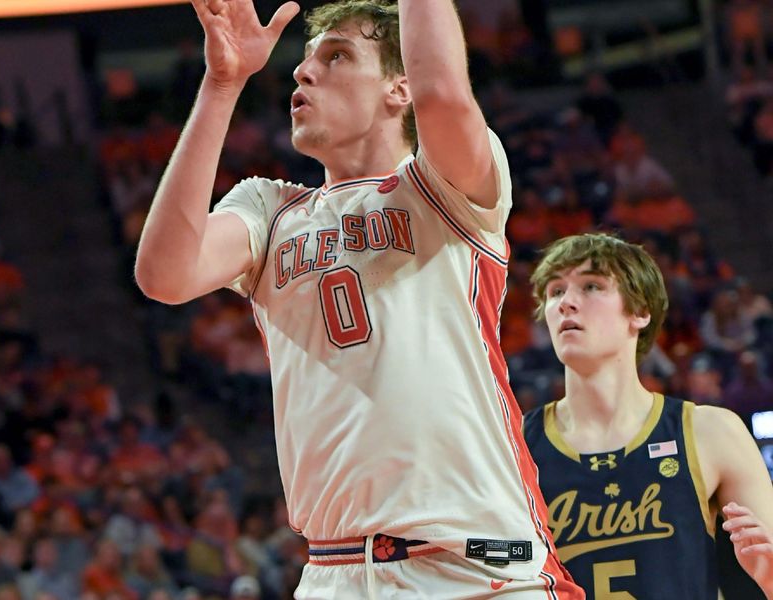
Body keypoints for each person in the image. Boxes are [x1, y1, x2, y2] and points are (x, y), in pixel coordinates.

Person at [135, 0, 582, 597]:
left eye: (338, 55)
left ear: (399, 88)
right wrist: (222, 84)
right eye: (304, 61)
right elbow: (165, 274)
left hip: (478, 565)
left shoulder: (440, 187)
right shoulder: (269, 208)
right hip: (336, 572)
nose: (303, 72)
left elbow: (445, 95)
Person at [523, 232, 773, 599]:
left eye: (591, 286)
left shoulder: (709, 431)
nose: (567, 303)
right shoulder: (515, 445)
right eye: (556, 291)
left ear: (639, 312)